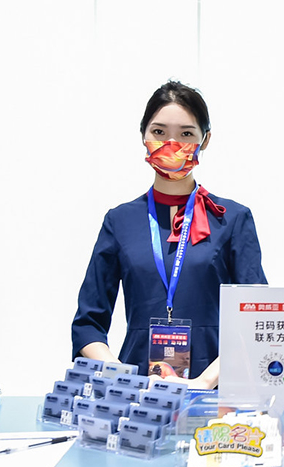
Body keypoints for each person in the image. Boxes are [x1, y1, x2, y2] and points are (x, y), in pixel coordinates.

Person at [72, 81, 266, 387]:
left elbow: (257, 319)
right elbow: (87, 323)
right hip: (137, 391)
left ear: (205, 140)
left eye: (186, 134)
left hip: (214, 388)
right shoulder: (119, 221)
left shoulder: (232, 219)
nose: (171, 144)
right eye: (159, 132)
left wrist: (205, 381)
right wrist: (119, 374)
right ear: (144, 136)